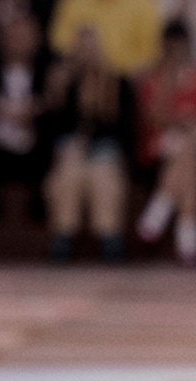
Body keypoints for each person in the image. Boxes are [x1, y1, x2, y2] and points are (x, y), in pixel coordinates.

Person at [42, 24, 136, 262]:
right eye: (81, 49)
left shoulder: (118, 83)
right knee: (68, 173)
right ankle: (63, 237)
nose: (87, 55)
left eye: (91, 48)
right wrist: (55, 95)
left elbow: (125, 130)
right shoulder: (64, 84)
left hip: (106, 150)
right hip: (71, 150)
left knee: (102, 175)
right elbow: (52, 128)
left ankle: (109, 239)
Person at [134, 19, 196, 263]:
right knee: (188, 153)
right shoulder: (153, 79)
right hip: (160, 149)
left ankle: (157, 214)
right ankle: (188, 245)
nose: (177, 54)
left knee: (189, 154)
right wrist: (183, 114)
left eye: (181, 48)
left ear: (189, 47)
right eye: (171, 49)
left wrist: (194, 126)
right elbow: (153, 118)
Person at [0, 9, 51, 224]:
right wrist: (4, 111)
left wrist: (31, 111)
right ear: (0, 41)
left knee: (52, 127)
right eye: (12, 37)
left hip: (33, 136)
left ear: (37, 39)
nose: (18, 43)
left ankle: (39, 201)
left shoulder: (47, 70)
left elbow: (52, 101)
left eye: (24, 37)